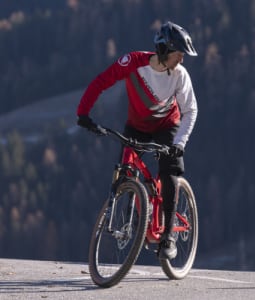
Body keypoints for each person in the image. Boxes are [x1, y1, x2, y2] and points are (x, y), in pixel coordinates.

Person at [76, 21, 198, 260]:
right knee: (125, 172)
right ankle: (133, 212)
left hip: (167, 125)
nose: (181, 60)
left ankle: (167, 238)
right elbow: (102, 82)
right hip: (137, 126)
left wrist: (179, 144)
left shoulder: (180, 76)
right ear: (164, 51)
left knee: (169, 171)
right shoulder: (133, 63)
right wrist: (83, 113)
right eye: (178, 54)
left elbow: (191, 110)